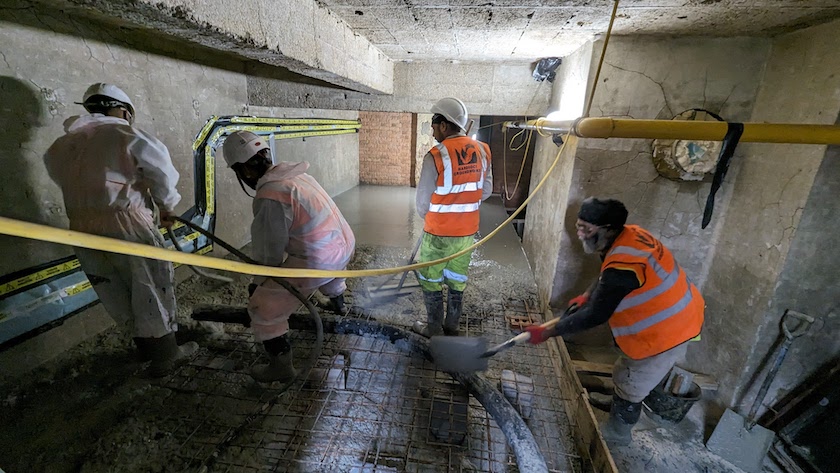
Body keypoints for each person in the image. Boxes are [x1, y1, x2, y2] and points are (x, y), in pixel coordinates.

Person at [44, 83, 197, 377]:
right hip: (125, 221)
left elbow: (64, 179)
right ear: (124, 111)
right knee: (149, 284)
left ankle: (144, 351)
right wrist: (167, 207)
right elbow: (161, 172)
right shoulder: (126, 134)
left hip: (80, 225)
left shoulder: (62, 146)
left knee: (113, 288)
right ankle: (166, 356)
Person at [524, 197, 704, 446]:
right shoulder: (628, 235)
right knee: (625, 370)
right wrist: (587, 295)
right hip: (676, 310)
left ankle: (619, 433)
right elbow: (607, 274)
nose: (579, 234)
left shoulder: (624, 264)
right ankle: (618, 403)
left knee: (634, 381)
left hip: (669, 328)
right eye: (579, 226)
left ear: (607, 228)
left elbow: (597, 315)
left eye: (586, 229)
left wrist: (547, 332)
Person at [221, 130, 355, 383]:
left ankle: (281, 368)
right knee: (326, 269)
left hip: (321, 260)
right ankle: (339, 304)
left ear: (245, 171)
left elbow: (267, 254)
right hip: (343, 244)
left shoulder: (270, 194)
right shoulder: (298, 176)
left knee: (264, 306)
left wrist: (258, 287)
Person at [412, 97, 493, 337]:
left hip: (437, 233)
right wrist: (463, 203)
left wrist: (437, 215)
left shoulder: (435, 155)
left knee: (430, 278)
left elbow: (422, 203)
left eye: (433, 125)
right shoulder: (483, 150)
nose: (432, 130)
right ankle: (452, 325)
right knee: (457, 278)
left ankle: (434, 328)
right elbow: (485, 191)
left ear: (444, 125)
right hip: (467, 233)